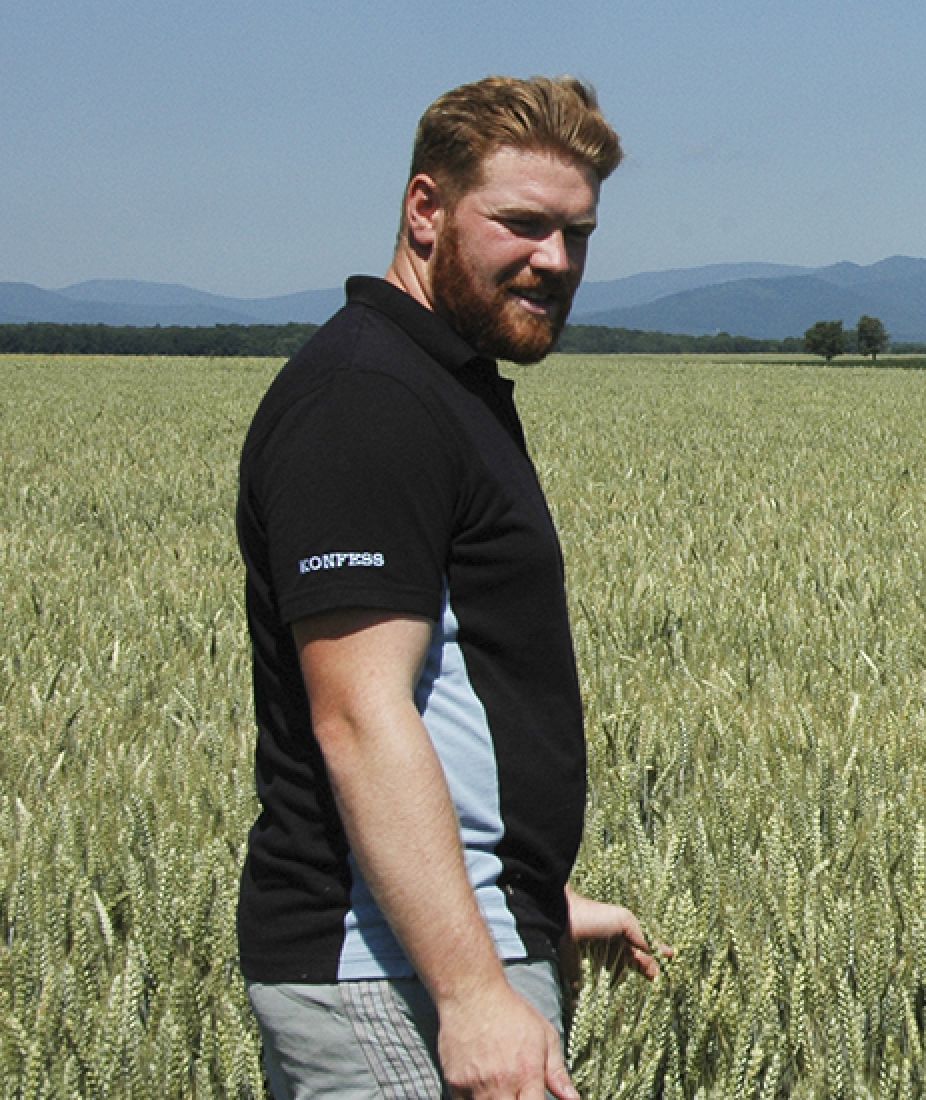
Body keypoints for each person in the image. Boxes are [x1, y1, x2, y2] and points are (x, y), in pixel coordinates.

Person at [236, 75, 663, 1099]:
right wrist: (472, 986)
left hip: (448, 936)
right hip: (389, 973)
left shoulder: (431, 386)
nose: (554, 261)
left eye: (577, 234)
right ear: (425, 210)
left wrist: (530, 902)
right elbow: (360, 714)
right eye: (521, 224)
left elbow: (449, 695)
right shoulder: (366, 401)